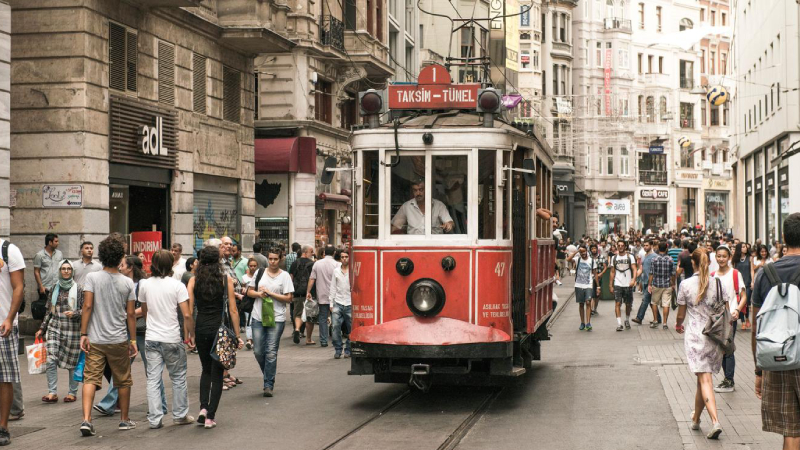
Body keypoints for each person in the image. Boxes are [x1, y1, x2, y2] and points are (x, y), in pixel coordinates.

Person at [93, 256, 167, 418]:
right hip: (128, 331)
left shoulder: (142, 284)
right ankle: (108, 404)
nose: (120, 267)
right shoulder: (122, 283)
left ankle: (161, 404)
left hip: (145, 332)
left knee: (152, 371)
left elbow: (146, 308)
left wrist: (128, 314)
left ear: (131, 267)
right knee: (121, 369)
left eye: (123, 265)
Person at [79, 235, 138, 437]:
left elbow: (87, 306)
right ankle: (124, 420)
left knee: (90, 378)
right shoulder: (128, 283)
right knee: (123, 380)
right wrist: (132, 340)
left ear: (101, 256)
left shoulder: (92, 278)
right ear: (120, 257)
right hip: (118, 339)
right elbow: (130, 314)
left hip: (95, 338)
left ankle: (87, 420)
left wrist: (83, 333)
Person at [750, 213, 800, 449]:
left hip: (778, 356)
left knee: (790, 429)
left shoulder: (765, 273)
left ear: (782, 238)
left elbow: (755, 327)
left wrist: (759, 370)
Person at [675, 248, 731, 440]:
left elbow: (681, 314)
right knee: (702, 378)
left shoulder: (685, 284)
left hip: (696, 336)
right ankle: (696, 419)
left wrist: (678, 324)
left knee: (705, 379)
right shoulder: (718, 283)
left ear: (693, 263)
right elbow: (726, 310)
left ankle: (715, 421)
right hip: (714, 337)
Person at [139, 250, 195, 428]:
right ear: (171, 264)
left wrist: (151, 325)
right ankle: (180, 414)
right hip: (171, 337)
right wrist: (190, 334)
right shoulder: (177, 285)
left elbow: (145, 310)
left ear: (153, 264)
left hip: (152, 337)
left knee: (153, 379)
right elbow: (186, 315)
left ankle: (155, 419)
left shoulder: (145, 284)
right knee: (178, 377)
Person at [188, 245, 242, 429]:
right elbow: (233, 309)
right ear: (218, 261)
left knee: (205, 370)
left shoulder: (194, 281)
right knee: (218, 373)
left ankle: (203, 408)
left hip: (202, 328)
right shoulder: (225, 279)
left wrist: (190, 334)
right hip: (220, 330)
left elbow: (189, 310)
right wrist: (237, 334)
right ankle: (210, 416)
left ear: (201, 261)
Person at [246, 248, 293, 397]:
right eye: (270, 259)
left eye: (275, 259)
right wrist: (259, 293)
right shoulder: (260, 273)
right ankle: (268, 374)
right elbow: (249, 291)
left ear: (280, 260)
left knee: (271, 352)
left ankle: (268, 384)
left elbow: (289, 298)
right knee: (258, 351)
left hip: (277, 318)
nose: (272, 261)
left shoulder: (285, 276)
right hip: (258, 316)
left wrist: (272, 294)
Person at [36, 261, 83, 404]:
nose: (66, 271)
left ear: (72, 271)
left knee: (72, 362)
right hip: (55, 326)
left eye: (69, 269)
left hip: (72, 329)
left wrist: (75, 313)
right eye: (64, 269)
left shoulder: (79, 289)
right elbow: (49, 311)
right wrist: (42, 329)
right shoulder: (54, 288)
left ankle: (72, 393)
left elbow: (86, 310)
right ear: (59, 270)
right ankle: (52, 392)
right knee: (51, 358)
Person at [711, 245, 746, 394]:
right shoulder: (713, 275)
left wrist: (737, 310)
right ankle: (727, 379)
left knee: (728, 348)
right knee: (722, 349)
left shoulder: (735, 274)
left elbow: (744, 295)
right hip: (717, 318)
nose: (721, 259)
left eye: (724, 256)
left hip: (731, 316)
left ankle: (729, 380)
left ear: (729, 257)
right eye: (718, 256)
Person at [0, 235, 25, 445]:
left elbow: (18, 287)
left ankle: (3, 427)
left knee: (4, 378)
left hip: (2, 326)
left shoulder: (8, 250)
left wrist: (9, 318)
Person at [307, 245, 339, 347]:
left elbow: (312, 279)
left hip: (322, 294)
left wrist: (308, 291)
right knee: (336, 318)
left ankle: (324, 340)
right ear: (334, 253)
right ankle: (336, 339)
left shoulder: (317, 263)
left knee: (322, 318)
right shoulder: (337, 264)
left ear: (324, 252)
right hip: (335, 295)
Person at [289, 245, 315, 344]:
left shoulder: (295, 263)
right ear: (305, 252)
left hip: (297, 292)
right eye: (311, 251)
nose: (312, 253)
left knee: (298, 313)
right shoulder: (312, 264)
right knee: (308, 314)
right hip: (309, 293)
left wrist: (290, 292)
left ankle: (297, 329)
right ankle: (307, 336)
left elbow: (291, 278)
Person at [610, 240, 638, 331]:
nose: (620, 247)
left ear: (625, 247)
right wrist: (610, 285)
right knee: (617, 303)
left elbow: (634, 269)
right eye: (619, 245)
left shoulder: (630, 257)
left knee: (628, 303)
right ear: (617, 246)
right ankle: (619, 324)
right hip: (618, 283)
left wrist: (633, 279)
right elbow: (612, 271)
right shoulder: (614, 258)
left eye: (622, 245)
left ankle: (626, 319)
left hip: (628, 283)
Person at [329, 248, 352, 357]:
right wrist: (331, 303)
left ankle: (348, 348)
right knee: (335, 327)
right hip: (338, 302)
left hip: (350, 302)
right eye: (342, 257)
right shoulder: (336, 271)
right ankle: (338, 349)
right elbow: (333, 287)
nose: (344, 259)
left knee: (351, 328)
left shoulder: (353, 270)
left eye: (346, 257)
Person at [647, 241, 674, 329]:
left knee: (654, 303)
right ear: (666, 248)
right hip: (667, 285)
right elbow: (673, 273)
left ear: (658, 248)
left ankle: (655, 320)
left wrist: (649, 284)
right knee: (666, 304)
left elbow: (651, 273)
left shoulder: (654, 259)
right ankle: (665, 323)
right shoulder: (670, 259)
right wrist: (673, 284)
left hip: (656, 284)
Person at [633, 240, 660, 325]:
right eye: (644, 245)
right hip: (645, 281)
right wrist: (634, 278)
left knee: (645, 300)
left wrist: (652, 283)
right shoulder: (644, 256)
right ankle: (658, 318)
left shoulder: (655, 256)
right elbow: (641, 269)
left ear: (651, 246)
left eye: (647, 245)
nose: (645, 247)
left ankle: (639, 318)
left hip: (651, 283)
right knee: (651, 302)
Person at [568, 245, 594, 331]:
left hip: (588, 285)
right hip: (578, 285)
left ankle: (588, 323)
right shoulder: (577, 259)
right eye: (581, 252)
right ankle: (582, 322)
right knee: (581, 304)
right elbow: (568, 259)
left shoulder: (591, 260)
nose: (583, 253)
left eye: (584, 251)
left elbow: (595, 273)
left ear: (587, 251)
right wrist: (576, 252)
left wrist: (597, 286)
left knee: (588, 302)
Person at [34, 233, 63, 311]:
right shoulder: (39, 255)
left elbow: (61, 269)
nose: (58, 243)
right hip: (45, 288)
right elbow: (36, 271)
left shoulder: (59, 254)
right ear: (50, 242)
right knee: (44, 310)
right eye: (56, 241)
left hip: (57, 287)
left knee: (56, 309)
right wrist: (40, 286)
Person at [241, 258, 259, 350]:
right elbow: (243, 288)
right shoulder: (244, 277)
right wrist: (243, 291)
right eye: (251, 266)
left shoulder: (260, 276)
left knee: (255, 320)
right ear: (248, 266)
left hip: (258, 301)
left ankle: (254, 340)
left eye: (254, 266)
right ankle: (249, 340)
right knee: (248, 320)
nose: (252, 268)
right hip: (248, 301)